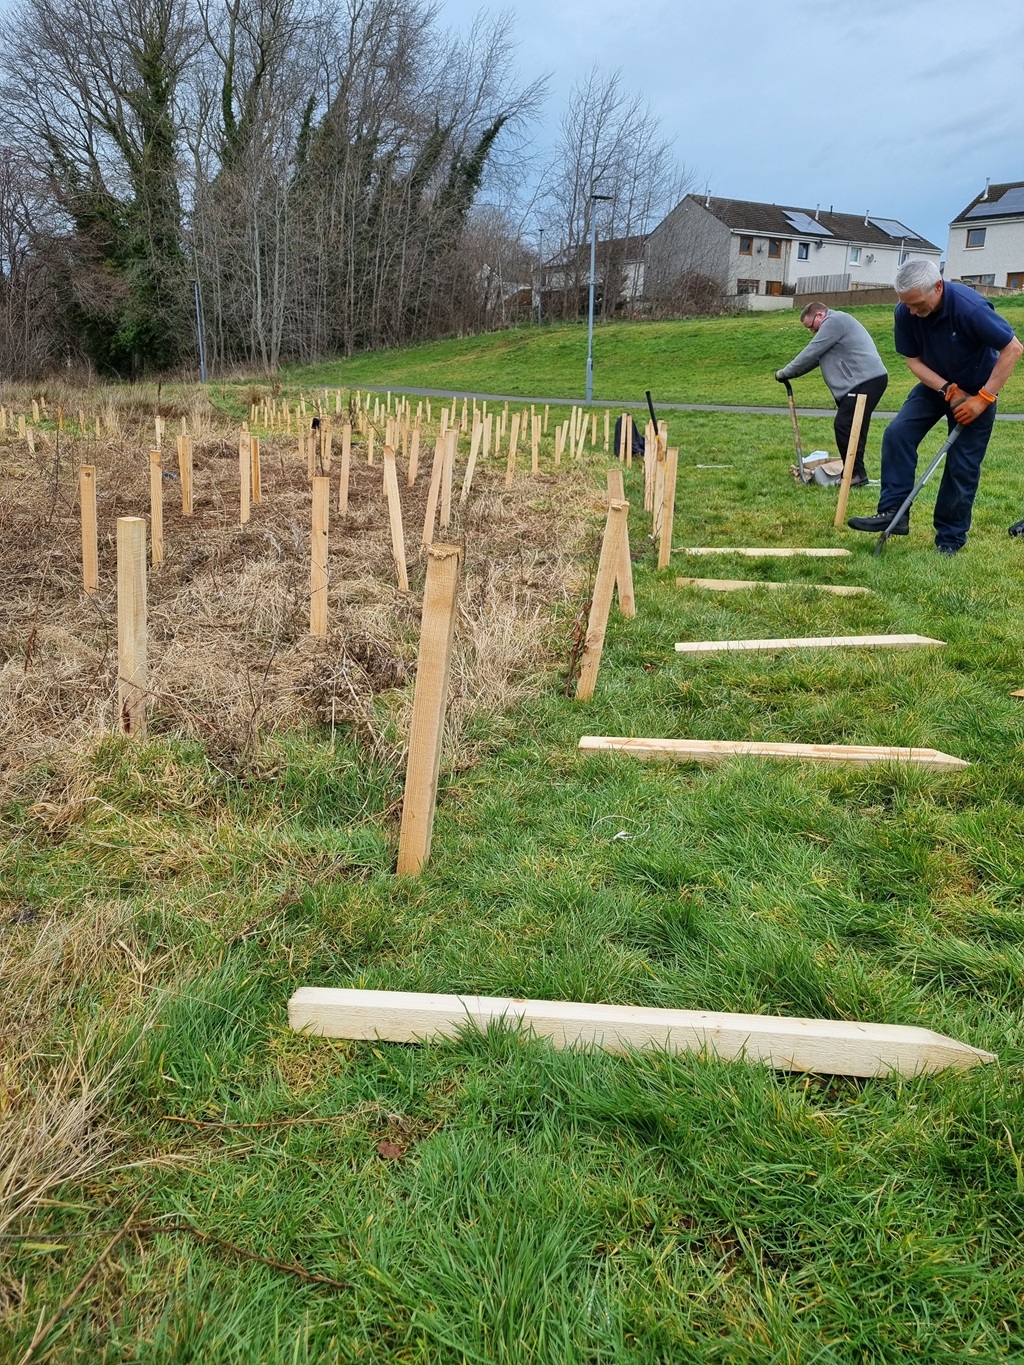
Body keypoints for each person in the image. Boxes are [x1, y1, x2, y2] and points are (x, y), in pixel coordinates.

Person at [848, 259, 1023, 554]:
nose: (913, 311)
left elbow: (1013, 348)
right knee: (897, 433)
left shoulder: (970, 308)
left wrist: (983, 399)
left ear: (938, 286)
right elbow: (913, 360)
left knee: (961, 466)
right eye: (907, 306)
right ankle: (894, 512)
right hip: (936, 387)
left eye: (917, 304)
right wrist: (947, 389)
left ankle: (950, 540)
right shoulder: (905, 311)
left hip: (978, 391)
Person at [776, 302, 889, 486]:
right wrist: (791, 374)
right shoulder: (831, 328)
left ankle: (854, 474)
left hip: (865, 381)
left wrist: (785, 372)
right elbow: (814, 359)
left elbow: (810, 352)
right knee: (854, 429)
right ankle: (856, 474)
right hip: (865, 382)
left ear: (820, 315)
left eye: (811, 326)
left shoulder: (834, 321)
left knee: (843, 426)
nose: (812, 332)